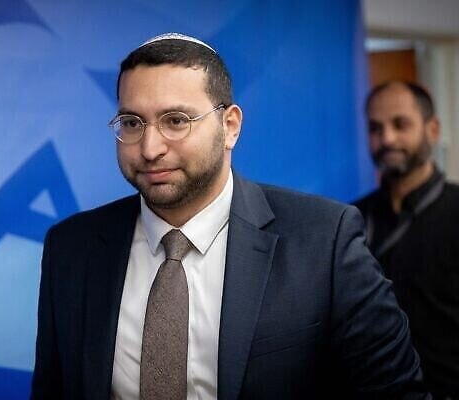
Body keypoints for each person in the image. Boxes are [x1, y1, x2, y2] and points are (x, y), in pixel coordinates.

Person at [31, 33, 429, 399]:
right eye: (133, 123)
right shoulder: (72, 248)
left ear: (230, 126)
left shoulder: (324, 240)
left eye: (176, 121)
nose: (150, 148)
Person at [354, 81, 459, 399]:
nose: (387, 139)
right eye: (376, 128)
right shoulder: (350, 218)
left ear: (432, 130)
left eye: (400, 125)